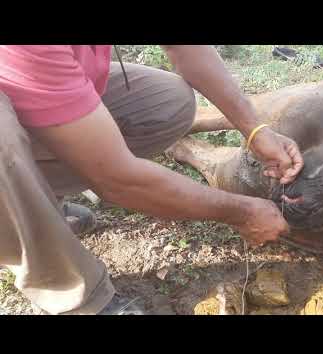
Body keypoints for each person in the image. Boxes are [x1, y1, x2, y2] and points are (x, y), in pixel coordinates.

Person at [0, 45, 304, 315]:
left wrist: (255, 130)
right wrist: (243, 213)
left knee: (167, 103)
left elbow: (187, 49)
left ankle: (39, 198)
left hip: (31, 75)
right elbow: (117, 179)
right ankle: (70, 295)